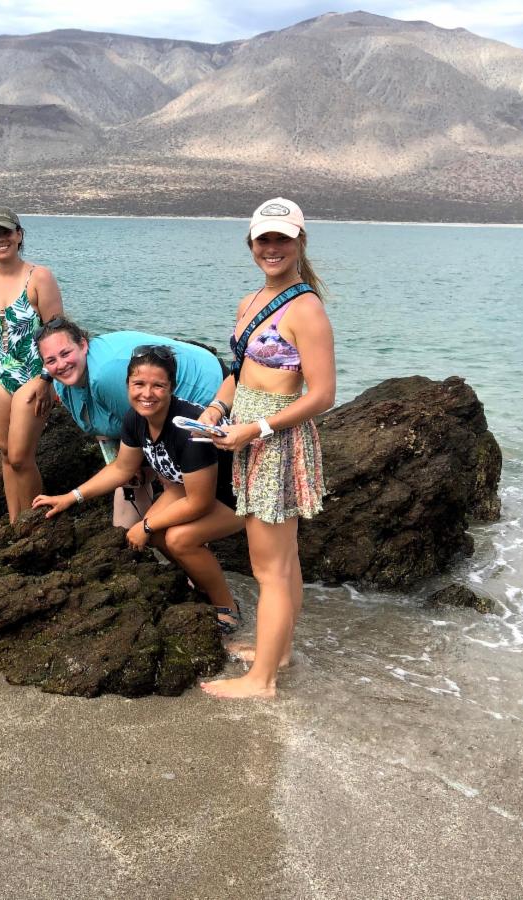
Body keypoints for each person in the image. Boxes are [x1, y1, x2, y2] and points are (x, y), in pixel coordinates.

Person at [198, 197, 335, 700]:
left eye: (282, 238)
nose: (272, 248)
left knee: (269, 569)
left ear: (300, 242)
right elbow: (241, 372)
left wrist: (255, 429)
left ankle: (262, 681)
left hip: (275, 443)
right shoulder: (250, 302)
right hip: (249, 435)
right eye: (264, 239)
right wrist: (216, 408)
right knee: (285, 558)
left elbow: (322, 394)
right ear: (251, 243)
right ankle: (278, 652)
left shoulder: (306, 309)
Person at [32, 345, 244, 629]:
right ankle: (201, 582)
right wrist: (71, 497)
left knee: (178, 539)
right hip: (186, 488)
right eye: (139, 384)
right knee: (157, 536)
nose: (147, 394)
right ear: (127, 385)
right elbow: (122, 468)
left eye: (158, 386)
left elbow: (200, 503)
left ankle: (226, 606)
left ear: (172, 387)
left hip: (236, 497)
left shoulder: (189, 430)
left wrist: (145, 525)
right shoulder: (136, 418)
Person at [34, 318, 225, 527]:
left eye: (65, 353)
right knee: (131, 477)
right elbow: (109, 432)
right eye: (51, 360)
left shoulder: (105, 377)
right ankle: (131, 536)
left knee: (168, 476)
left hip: (206, 386)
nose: (61, 365)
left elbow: (149, 425)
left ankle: (185, 530)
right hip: (153, 404)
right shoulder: (64, 384)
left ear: (83, 344)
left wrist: (143, 467)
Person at [0, 206, 64, 523]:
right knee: (6, 453)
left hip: (34, 375)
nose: (1, 240)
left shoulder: (39, 277)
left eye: (6, 232)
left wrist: (47, 379)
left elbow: (59, 333)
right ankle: (15, 524)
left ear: (19, 235)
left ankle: (36, 524)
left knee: (22, 456)